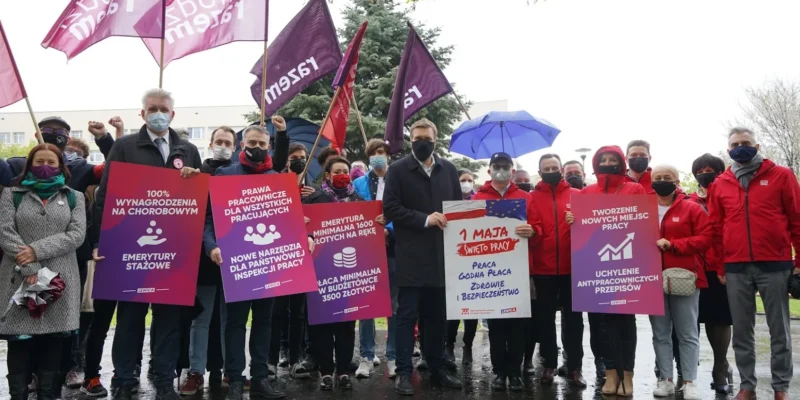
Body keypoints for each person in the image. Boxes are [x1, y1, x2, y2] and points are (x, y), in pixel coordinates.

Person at [89, 89, 204, 400]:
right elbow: (106, 193)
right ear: (142, 113)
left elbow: (199, 201)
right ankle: (124, 379)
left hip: (173, 251)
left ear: (172, 114)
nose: (158, 113)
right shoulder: (126, 147)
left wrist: (195, 180)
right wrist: (100, 240)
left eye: (163, 108)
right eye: (152, 108)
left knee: (168, 321)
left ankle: (165, 380)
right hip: (130, 247)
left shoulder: (188, 150)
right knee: (129, 317)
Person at [707, 128, 800, 400]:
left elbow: (796, 220)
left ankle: (781, 387)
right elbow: (715, 228)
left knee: (779, 330)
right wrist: (719, 267)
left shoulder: (782, 175)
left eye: (745, 143)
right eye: (735, 144)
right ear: (728, 150)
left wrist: (798, 262)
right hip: (736, 266)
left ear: (757, 145)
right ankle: (747, 385)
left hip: (776, 263)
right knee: (742, 331)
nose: (740, 148)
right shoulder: (720, 184)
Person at [205, 125, 291, 400]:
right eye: (252, 142)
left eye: (262, 144)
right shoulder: (224, 174)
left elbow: (288, 223)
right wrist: (211, 246)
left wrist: (306, 236)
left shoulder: (278, 179)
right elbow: (209, 219)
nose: (257, 148)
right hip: (235, 263)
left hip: (268, 264)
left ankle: (260, 379)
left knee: (264, 322)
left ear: (269, 147)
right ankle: (234, 380)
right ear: (242, 145)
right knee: (234, 323)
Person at [383, 118, 463, 396]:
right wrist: (425, 219)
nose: (421, 143)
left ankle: (437, 368)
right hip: (411, 259)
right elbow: (391, 208)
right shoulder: (397, 170)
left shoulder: (449, 170)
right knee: (406, 318)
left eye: (426, 138)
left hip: (442, 260)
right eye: (416, 138)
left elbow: (459, 209)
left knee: (437, 318)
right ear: (410, 140)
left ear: (435, 139)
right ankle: (404, 372)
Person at [0, 144, 86, 400]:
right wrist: (30, 265)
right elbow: (5, 232)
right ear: (29, 164)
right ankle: (18, 394)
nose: (45, 166)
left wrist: (36, 250)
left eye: (51, 161)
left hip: (60, 280)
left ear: (61, 166)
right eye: (39, 161)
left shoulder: (75, 196)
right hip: (20, 276)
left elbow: (76, 235)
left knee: (53, 341)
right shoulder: (11, 194)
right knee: (20, 343)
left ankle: (48, 394)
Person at [177, 124, 240, 395]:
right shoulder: (197, 174)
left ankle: (232, 372)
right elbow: (198, 216)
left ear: (235, 148)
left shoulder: (241, 176)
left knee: (231, 320)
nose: (223, 146)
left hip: (238, 257)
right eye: (219, 141)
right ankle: (195, 372)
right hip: (204, 258)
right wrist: (188, 179)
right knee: (200, 319)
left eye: (228, 142)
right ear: (210, 143)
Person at [581, 145, 646, 397]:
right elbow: (582, 231)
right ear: (596, 164)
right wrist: (573, 221)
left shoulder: (635, 189)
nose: (608, 163)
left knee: (625, 320)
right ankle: (610, 373)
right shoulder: (586, 192)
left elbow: (643, 223)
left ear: (621, 162)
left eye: (613, 159)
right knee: (601, 323)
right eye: (603, 160)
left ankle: (627, 374)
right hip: (594, 265)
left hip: (627, 263)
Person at [304, 156, 372, 390]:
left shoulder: (359, 201)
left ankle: (343, 370)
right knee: (322, 324)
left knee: (346, 324)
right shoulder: (313, 199)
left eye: (345, 171)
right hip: (319, 271)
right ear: (327, 176)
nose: (342, 174)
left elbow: (367, 233)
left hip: (348, 273)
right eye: (337, 171)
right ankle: (325, 371)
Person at [471, 152, 536, 392]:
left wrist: (533, 230)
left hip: (518, 271)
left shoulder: (525, 198)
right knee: (496, 327)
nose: (501, 170)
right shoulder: (477, 198)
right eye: (496, 166)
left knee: (518, 327)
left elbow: (538, 227)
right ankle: (499, 372)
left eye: (505, 166)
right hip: (489, 274)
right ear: (489, 170)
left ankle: (514, 372)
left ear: (512, 171)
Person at [648, 164, 712, 400]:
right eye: (658, 177)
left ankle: (689, 381)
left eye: (668, 177)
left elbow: (706, 238)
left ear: (676, 181)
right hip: (650, 278)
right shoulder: (641, 208)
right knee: (660, 333)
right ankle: (665, 379)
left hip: (684, 277)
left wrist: (674, 244)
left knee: (687, 332)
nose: (662, 181)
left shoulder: (691, 208)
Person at [529, 154, 585, 387]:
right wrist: (534, 232)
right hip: (544, 269)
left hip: (574, 269)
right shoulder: (531, 198)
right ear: (540, 172)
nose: (551, 170)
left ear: (561, 169)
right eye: (546, 168)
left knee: (574, 321)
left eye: (554, 167)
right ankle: (549, 365)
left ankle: (574, 367)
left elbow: (592, 229)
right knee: (545, 320)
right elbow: (532, 227)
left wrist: (580, 221)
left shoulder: (579, 195)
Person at [269, 143, 315, 380]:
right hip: (279, 256)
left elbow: (319, 223)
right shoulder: (276, 186)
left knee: (298, 312)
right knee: (277, 311)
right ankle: (271, 360)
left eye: (302, 158)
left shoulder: (312, 190)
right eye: (294, 157)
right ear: (286, 161)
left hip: (303, 258)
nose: (298, 161)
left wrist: (312, 200)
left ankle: (296, 360)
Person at [689, 153, 734, 394]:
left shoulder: (729, 198)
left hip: (722, 269)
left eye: (711, 170)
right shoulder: (688, 200)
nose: (705, 174)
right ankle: (687, 372)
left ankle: (720, 366)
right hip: (694, 269)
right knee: (695, 321)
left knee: (720, 319)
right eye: (700, 170)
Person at [353, 139, 397, 378]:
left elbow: (402, 210)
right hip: (366, 250)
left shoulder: (398, 180)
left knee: (394, 304)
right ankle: (367, 356)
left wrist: (389, 229)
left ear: (388, 155)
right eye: (373, 153)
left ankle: (394, 356)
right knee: (366, 304)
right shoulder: (358, 183)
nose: (377, 156)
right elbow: (353, 211)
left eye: (381, 152)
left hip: (392, 249)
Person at [446, 171, 479, 366]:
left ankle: (468, 345)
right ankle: (449, 345)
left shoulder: (480, 200)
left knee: (473, 309)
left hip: (475, 262)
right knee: (454, 307)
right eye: (462, 180)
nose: (466, 184)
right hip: (454, 260)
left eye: (469, 180)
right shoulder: (449, 201)